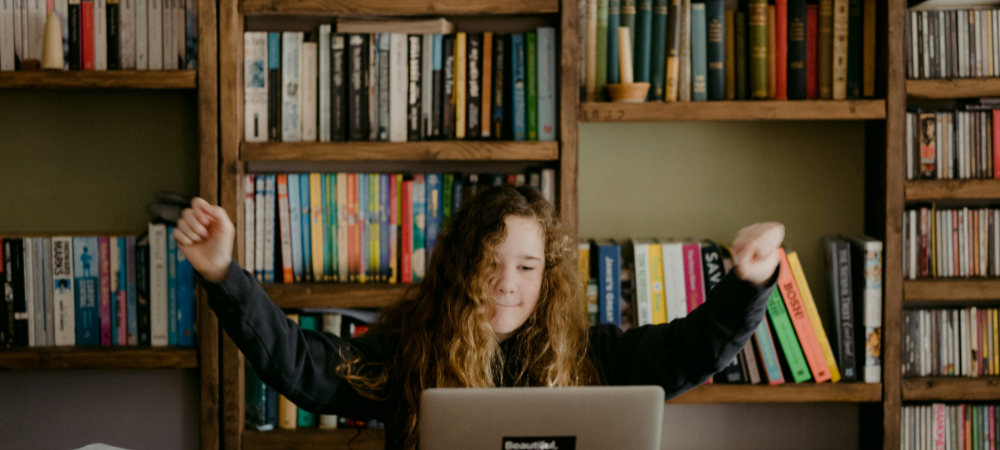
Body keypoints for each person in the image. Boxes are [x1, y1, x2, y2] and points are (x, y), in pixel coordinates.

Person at [174, 185, 784, 450]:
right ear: (461, 266)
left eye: (526, 267)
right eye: (491, 263)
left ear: (547, 276)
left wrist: (748, 282)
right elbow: (301, 367)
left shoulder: (595, 353)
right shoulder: (410, 349)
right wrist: (224, 273)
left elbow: (691, 351)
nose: (506, 285)